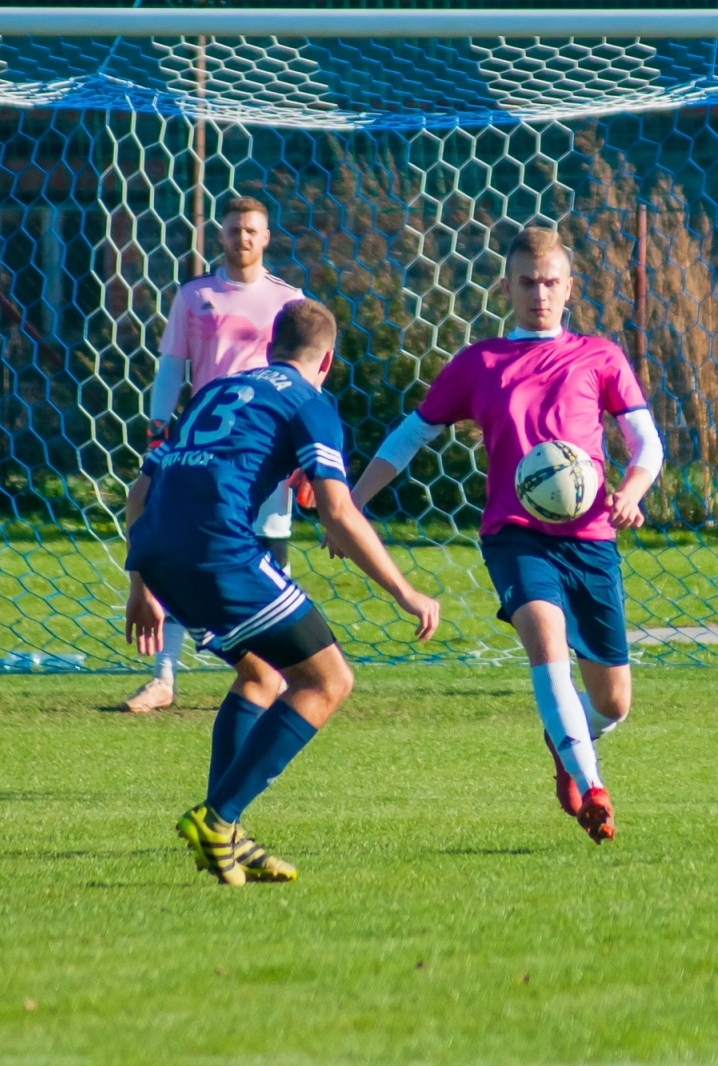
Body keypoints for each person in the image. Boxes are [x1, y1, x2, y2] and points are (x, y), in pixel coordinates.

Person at [345, 226, 663, 844]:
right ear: (505, 287)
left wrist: (630, 492)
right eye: (527, 282)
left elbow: (646, 442)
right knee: (546, 645)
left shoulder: (600, 356)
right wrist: (351, 505)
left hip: (592, 536)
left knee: (614, 701)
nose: (539, 294)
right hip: (515, 536)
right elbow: (410, 437)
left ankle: (566, 737)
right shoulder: (478, 364)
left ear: (569, 287)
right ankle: (592, 785)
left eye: (550, 282)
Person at [123, 298, 439, 884]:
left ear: (269, 350)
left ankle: (230, 834)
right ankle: (219, 820)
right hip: (220, 553)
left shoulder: (216, 392)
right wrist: (406, 592)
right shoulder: (309, 402)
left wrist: (141, 586)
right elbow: (339, 514)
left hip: (158, 556)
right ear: (328, 363)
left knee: (261, 675)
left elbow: (139, 494)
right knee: (329, 679)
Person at [117, 195, 306, 713]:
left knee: (269, 552)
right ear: (218, 235)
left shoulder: (289, 300)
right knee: (182, 550)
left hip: (262, 449)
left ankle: (276, 672)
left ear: (266, 237)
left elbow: (309, 375)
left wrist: (306, 455)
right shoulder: (194, 295)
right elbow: (171, 368)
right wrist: (159, 427)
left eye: (251, 230)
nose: (241, 237)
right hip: (200, 447)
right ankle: (163, 677)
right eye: (233, 229)